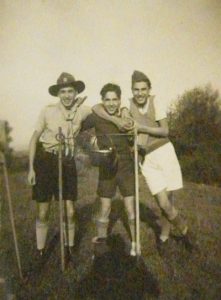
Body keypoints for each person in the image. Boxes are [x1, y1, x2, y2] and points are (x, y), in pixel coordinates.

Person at [92, 71, 190, 249]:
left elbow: (164, 131)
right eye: (136, 89)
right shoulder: (127, 107)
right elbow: (97, 108)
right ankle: (183, 232)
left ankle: (167, 237)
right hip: (145, 158)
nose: (140, 93)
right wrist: (118, 119)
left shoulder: (153, 102)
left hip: (164, 152)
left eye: (143, 89)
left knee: (167, 201)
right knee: (162, 202)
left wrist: (138, 127)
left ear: (149, 89)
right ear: (132, 91)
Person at [28, 72, 91, 255]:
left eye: (70, 91)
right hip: (46, 161)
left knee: (70, 211)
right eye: (63, 91)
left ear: (75, 92)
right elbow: (34, 139)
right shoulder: (47, 111)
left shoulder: (82, 110)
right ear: (58, 93)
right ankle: (41, 251)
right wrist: (31, 168)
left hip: (68, 162)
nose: (67, 95)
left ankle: (70, 248)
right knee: (43, 212)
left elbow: (101, 110)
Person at [81, 83, 136, 256]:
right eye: (107, 100)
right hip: (107, 166)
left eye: (114, 99)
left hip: (126, 166)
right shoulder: (96, 116)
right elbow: (77, 130)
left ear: (120, 100)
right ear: (103, 101)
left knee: (130, 208)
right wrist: (90, 145)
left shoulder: (126, 116)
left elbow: (136, 135)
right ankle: (102, 243)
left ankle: (135, 243)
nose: (111, 103)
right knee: (105, 208)